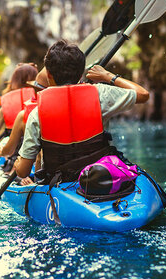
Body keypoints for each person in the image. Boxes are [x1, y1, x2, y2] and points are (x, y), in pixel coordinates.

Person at [15, 40, 149, 183]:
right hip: (100, 177)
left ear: (48, 75)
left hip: (60, 183)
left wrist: (17, 164)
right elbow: (143, 94)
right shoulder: (100, 94)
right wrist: (107, 76)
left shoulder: (37, 113)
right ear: (80, 74)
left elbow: (23, 171)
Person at [0, 63, 38, 154]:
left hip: (14, 156)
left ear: (14, 81)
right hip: (38, 155)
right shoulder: (42, 100)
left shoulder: (5, 107)